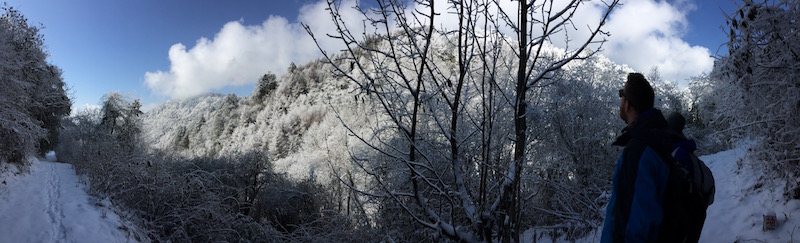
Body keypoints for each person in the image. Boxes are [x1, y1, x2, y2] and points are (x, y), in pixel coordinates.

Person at [601, 73, 679, 242]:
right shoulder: (659, 144)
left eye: (622, 97)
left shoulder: (638, 151)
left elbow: (631, 225)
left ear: (627, 104)